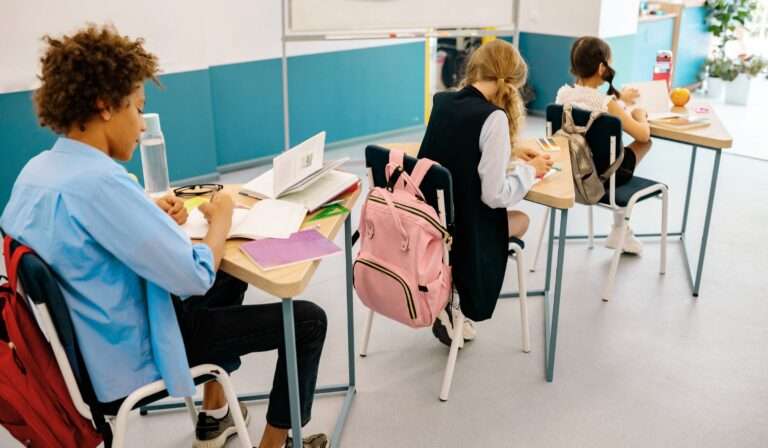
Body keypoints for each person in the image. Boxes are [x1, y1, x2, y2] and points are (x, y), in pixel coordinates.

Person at [0, 24, 328, 448]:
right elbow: (192, 278)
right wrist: (221, 220)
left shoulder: (36, 174)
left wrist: (145, 216)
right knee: (307, 321)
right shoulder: (103, 183)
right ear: (104, 106)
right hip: (131, 358)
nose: (141, 126)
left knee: (232, 275)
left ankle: (216, 415)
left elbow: (76, 240)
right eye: (137, 109)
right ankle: (274, 444)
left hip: (81, 349)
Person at [418, 39, 553, 345]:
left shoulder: (442, 101)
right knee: (521, 221)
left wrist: (512, 153)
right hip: (463, 234)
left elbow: (459, 153)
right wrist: (530, 172)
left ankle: (447, 288)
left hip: (430, 221)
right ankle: (454, 296)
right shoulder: (495, 118)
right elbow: (494, 196)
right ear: (514, 81)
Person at [556, 36, 653, 255]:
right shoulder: (606, 104)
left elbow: (591, 99)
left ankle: (620, 228)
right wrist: (640, 115)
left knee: (611, 148)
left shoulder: (563, 95)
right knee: (642, 145)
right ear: (602, 68)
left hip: (571, 170)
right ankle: (620, 229)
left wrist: (620, 100)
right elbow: (643, 134)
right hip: (603, 177)